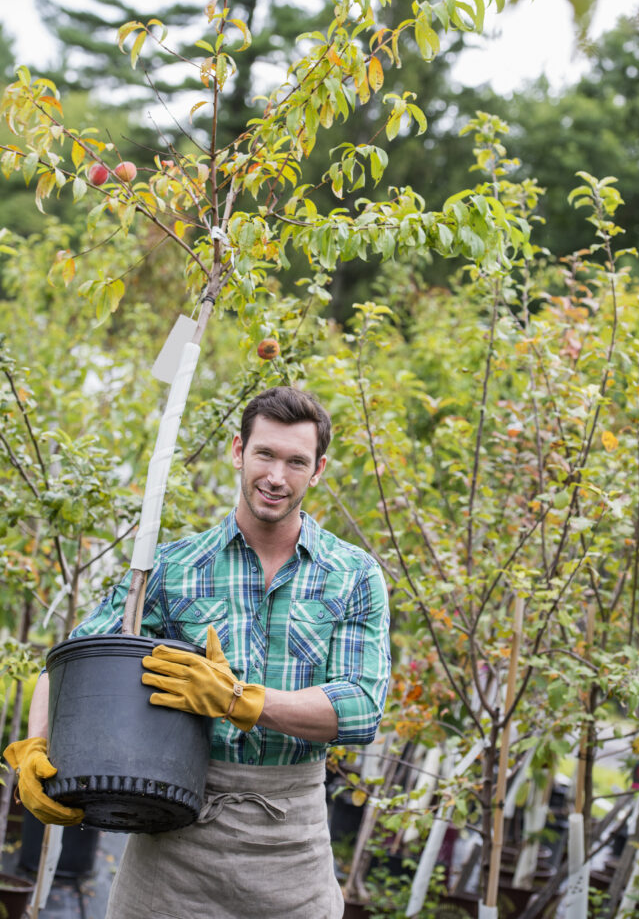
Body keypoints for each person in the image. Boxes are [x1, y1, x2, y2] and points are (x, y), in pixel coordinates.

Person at [4, 386, 391, 919]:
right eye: (265, 454)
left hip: (290, 847)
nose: (277, 476)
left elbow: (360, 709)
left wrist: (240, 699)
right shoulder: (174, 567)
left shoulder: (353, 574)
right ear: (238, 451)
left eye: (296, 461)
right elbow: (74, 661)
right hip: (174, 843)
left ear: (318, 469)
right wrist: (36, 745)